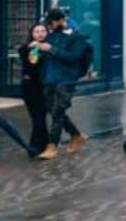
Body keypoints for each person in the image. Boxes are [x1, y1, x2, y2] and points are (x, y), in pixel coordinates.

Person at [36, 8, 90, 159]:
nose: (49, 27)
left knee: (58, 112)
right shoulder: (51, 36)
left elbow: (74, 57)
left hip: (66, 80)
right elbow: (44, 55)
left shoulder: (77, 37)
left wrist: (52, 49)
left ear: (60, 21)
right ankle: (76, 135)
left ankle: (52, 146)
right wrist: (37, 50)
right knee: (53, 111)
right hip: (49, 79)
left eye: (51, 24)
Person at [18, 23, 50, 156]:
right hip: (31, 87)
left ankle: (38, 145)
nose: (40, 34)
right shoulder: (26, 48)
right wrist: (35, 48)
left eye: (43, 31)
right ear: (31, 34)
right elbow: (32, 62)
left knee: (41, 116)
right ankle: (39, 145)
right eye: (37, 31)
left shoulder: (50, 47)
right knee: (36, 117)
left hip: (46, 86)